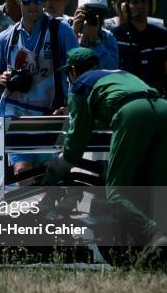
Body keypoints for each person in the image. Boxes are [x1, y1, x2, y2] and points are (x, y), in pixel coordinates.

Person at [45, 47, 167, 259]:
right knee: (157, 186)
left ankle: (156, 235)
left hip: (134, 114)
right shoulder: (120, 74)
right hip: (162, 108)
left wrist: (57, 168)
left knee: (115, 192)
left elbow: (77, 138)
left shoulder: (80, 85)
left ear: (72, 70)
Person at [0, 0, 78, 174]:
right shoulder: (7, 36)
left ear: (43, 1)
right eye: (27, 1)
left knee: (47, 174)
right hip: (15, 113)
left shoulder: (60, 31)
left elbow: (78, 71)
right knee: (22, 170)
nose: (33, 6)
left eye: (38, 0)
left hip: (49, 114)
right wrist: (1, 78)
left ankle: (48, 205)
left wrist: (69, 104)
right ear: (18, 1)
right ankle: (29, 206)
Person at [112, 0, 167, 96]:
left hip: (158, 98)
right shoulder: (116, 36)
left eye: (143, 1)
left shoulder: (162, 36)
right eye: (135, 2)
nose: (140, 6)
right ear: (125, 7)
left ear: (151, 5)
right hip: (127, 98)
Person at [71, 0, 118, 70]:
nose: (96, 17)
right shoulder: (65, 32)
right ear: (78, 12)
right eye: (91, 12)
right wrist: (73, 34)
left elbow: (112, 68)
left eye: (101, 13)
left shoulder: (108, 37)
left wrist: (96, 40)